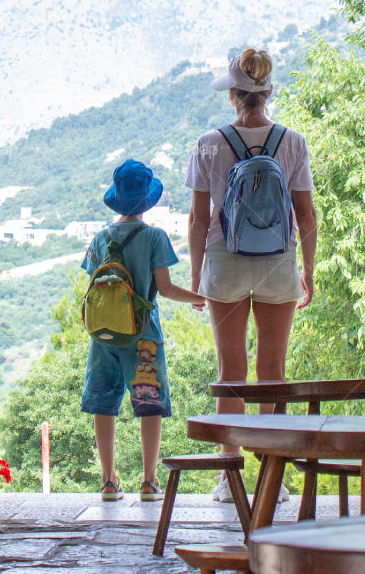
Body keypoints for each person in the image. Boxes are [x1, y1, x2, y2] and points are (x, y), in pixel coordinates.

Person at [186, 48, 317, 502]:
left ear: (234, 95)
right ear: (268, 92)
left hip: (224, 265)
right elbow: (306, 215)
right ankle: (271, 476)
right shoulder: (293, 141)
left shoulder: (208, 142)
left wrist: (196, 274)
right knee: (272, 371)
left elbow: (199, 219)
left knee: (231, 371)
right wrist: (309, 270)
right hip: (279, 264)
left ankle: (229, 475)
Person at [81, 158, 206, 502]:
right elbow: (164, 289)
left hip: (103, 333)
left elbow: (95, 285)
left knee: (104, 405)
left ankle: (108, 482)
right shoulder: (154, 237)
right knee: (149, 404)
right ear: (147, 201)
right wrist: (199, 297)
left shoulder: (100, 237)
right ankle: (149, 482)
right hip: (143, 335)